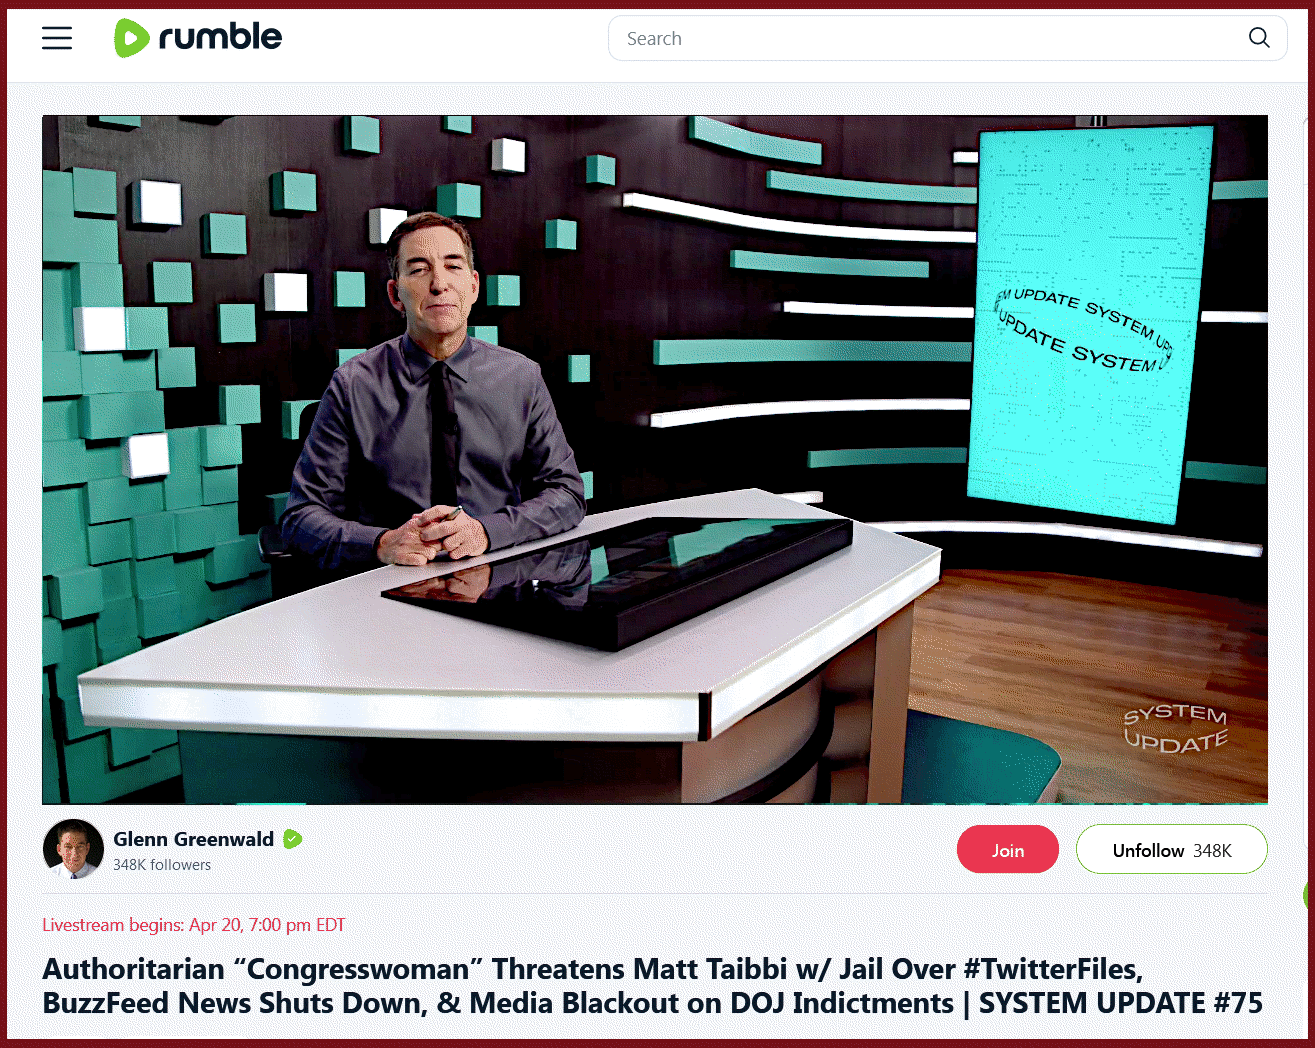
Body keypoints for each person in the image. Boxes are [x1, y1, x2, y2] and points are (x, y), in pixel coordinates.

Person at [281, 212, 585, 571]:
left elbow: (567, 495)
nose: (439, 284)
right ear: (395, 294)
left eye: (453, 266)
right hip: (387, 580)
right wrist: (382, 543)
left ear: (474, 286)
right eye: (419, 269)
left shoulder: (522, 378)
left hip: (499, 576)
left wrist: (487, 532)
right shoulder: (353, 385)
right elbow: (300, 517)